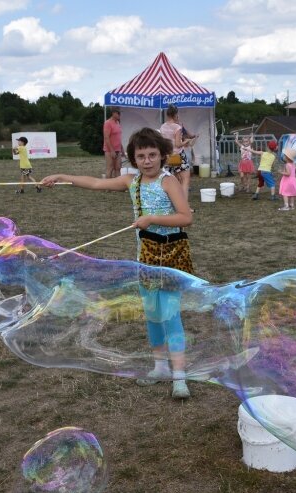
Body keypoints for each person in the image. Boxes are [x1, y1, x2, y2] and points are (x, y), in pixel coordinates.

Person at [41, 127, 194, 399]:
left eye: (152, 155)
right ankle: (160, 367)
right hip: (146, 256)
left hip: (172, 255)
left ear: (162, 155)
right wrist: (62, 176)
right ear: (133, 159)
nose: (147, 161)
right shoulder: (131, 182)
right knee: (152, 313)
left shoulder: (167, 181)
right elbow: (96, 183)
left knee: (170, 313)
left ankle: (179, 377)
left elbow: (185, 217)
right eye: (141, 156)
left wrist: (153, 218)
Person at [159, 104, 193, 207]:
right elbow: (178, 144)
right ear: (175, 114)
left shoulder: (162, 127)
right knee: (185, 180)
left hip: (168, 156)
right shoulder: (177, 127)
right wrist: (186, 141)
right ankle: (183, 205)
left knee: (170, 180)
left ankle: (171, 204)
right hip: (179, 155)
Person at [102, 107, 123, 178]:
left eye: (120, 113)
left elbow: (118, 137)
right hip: (109, 150)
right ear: (113, 113)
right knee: (110, 169)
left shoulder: (118, 122)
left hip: (118, 149)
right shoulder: (108, 123)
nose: (120, 115)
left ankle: (118, 187)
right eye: (118, 113)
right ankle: (107, 187)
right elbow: (106, 137)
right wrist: (112, 150)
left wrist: (122, 149)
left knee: (118, 168)